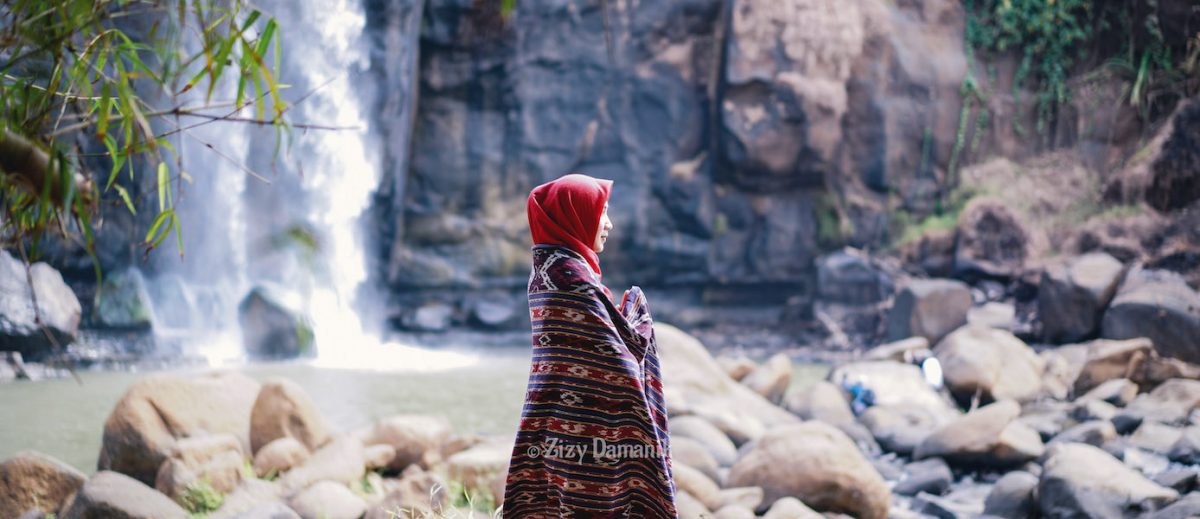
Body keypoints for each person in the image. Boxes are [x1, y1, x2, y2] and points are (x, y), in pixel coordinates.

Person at [502, 173, 678, 518]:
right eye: (602, 212)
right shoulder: (570, 276)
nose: (609, 224)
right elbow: (616, 359)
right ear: (576, 214)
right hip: (588, 432)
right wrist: (637, 314)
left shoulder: (545, 269)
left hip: (551, 419)